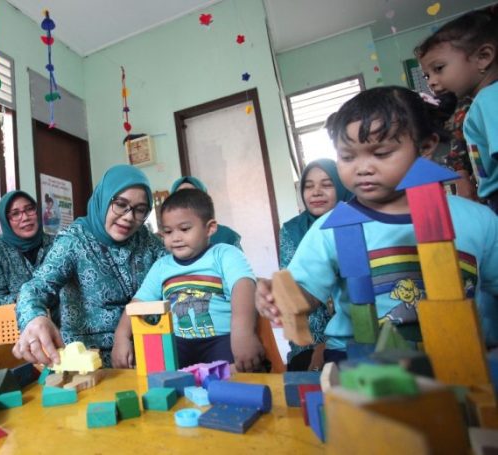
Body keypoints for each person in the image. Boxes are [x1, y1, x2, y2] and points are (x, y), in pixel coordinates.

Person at [256, 87, 498, 362]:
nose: (362, 168)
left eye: (381, 153)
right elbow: (304, 294)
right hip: (357, 362)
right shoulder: (329, 229)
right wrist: (279, 297)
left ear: (425, 147)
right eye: (348, 157)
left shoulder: (479, 220)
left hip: (462, 360)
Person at [12, 165, 166, 367]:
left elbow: (174, 275)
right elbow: (35, 288)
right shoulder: (74, 241)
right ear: (103, 199)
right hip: (90, 361)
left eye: (140, 210)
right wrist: (34, 318)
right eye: (121, 204)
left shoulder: (147, 241)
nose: (129, 216)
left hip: (150, 351)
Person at [113, 189, 265, 372]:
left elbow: (244, 286)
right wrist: (121, 338)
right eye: (168, 232)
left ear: (210, 228)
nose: (176, 238)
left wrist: (243, 333)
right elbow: (138, 303)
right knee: (155, 370)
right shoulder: (162, 266)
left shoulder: (225, 254)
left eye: (184, 229)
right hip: (177, 343)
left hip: (223, 338)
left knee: (237, 371)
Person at [415, 8, 498, 212]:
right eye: (427, 76)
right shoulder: (479, 102)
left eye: (439, 68)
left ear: (483, 57)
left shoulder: (490, 98)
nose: (431, 82)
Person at [279, 158, 352, 371]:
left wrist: (329, 343)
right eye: (308, 186)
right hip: (309, 337)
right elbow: (298, 291)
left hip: (352, 332)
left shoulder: (355, 223)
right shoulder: (291, 230)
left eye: (327, 184)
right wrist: (318, 342)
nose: (316, 192)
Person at [0, 191, 54, 342]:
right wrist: (28, 296)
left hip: (54, 326)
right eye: (15, 214)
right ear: (6, 220)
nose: (25, 217)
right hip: (10, 332)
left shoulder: (56, 244)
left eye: (29, 209)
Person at [171, 176, 242, 248]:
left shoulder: (225, 236)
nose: (185, 199)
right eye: (180, 194)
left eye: (192, 193)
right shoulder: (167, 239)